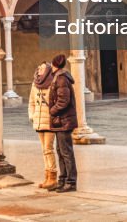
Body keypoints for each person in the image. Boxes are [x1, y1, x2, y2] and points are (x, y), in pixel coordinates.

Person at [47, 53, 78, 193]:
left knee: (66, 152)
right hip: (61, 121)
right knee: (61, 151)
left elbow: (63, 101)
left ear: (54, 65)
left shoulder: (61, 79)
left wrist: (52, 111)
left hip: (64, 120)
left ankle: (71, 182)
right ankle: (63, 179)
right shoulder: (59, 77)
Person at [29, 61, 58, 190]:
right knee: (44, 150)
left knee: (48, 149)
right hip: (39, 121)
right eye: (39, 68)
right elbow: (31, 102)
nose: (39, 70)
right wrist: (32, 115)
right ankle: (47, 176)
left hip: (50, 121)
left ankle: (52, 177)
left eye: (42, 68)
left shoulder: (52, 84)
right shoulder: (35, 85)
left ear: (47, 71)